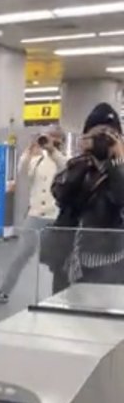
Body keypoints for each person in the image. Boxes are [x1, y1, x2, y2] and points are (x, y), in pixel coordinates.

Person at [41, 103, 124, 295]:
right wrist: (83, 160)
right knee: (62, 311)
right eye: (98, 135)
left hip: (108, 264)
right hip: (68, 260)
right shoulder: (79, 166)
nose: (104, 140)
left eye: (110, 136)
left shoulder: (119, 171)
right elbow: (59, 193)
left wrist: (119, 161)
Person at [0, 127, 67, 303]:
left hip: (56, 216)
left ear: (61, 140)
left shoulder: (66, 159)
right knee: (20, 255)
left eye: (53, 137)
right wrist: (30, 149)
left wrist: (52, 150)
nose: (48, 140)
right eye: (46, 137)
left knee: (59, 261)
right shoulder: (38, 161)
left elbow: (64, 167)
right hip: (35, 214)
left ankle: (61, 297)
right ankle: (3, 291)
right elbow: (22, 169)